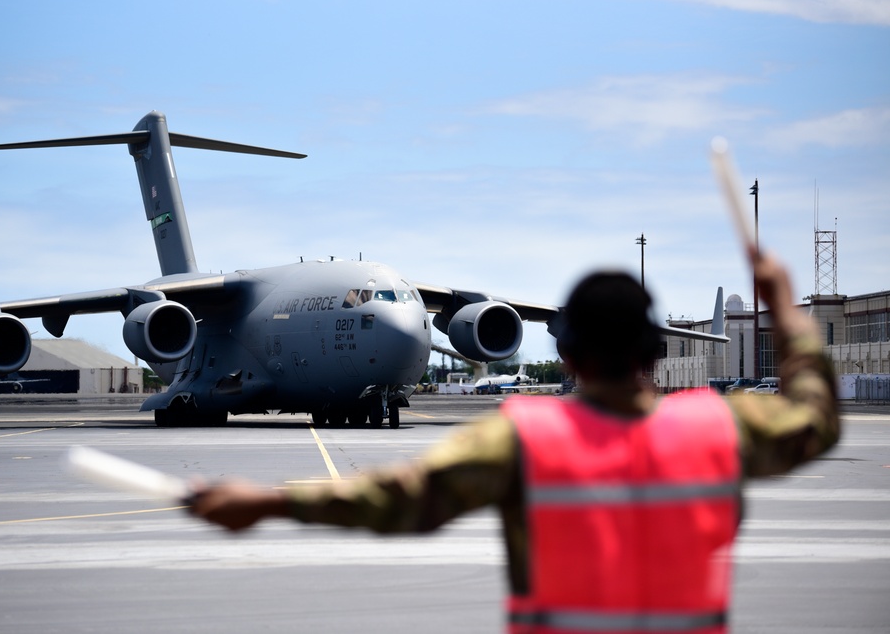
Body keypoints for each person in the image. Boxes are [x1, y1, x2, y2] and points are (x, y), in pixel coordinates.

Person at [188, 249, 840, 633]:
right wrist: (784, 309)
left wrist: (268, 505)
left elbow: (402, 498)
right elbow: (814, 419)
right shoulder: (717, 427)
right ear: (650, 350)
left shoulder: (530, 440)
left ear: (572, 355)